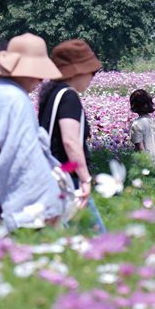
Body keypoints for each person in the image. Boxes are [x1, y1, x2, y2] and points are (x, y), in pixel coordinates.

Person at [0, 34, 68, 231]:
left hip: (0, 191)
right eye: (36, 71)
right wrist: (44, 205)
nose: (41, 78)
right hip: (25, 204)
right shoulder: (14, 98)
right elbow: (24, 158)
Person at [38, 39, 107, 233]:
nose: (92, 77)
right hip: (69, 179)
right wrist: (85, 178)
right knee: (98, 240)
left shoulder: (51, 94)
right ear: (79, 70)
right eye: (92, 71)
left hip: (52, 176)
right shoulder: (69, 96)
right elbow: (70, 141)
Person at [129, 89, 155, 165]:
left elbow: (140, 147)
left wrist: (145, 162)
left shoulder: (136, 124)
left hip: (143, 163)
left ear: (133, 106)